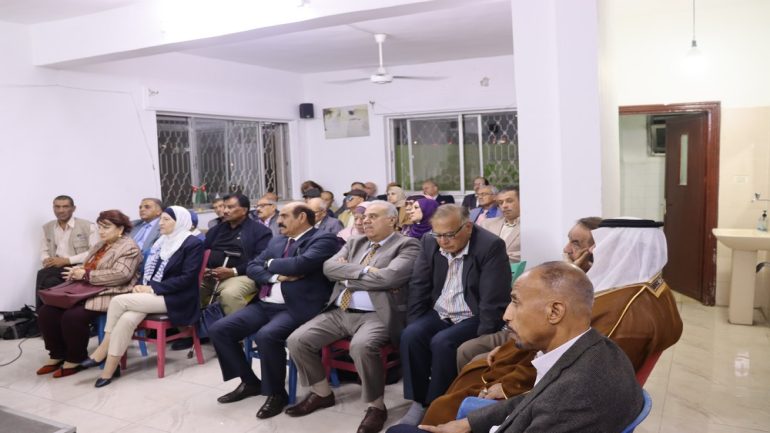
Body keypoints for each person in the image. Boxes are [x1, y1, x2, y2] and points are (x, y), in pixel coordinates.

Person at [421, 218, 683, 426]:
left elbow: (572, 366)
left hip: (534, 386)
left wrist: (509, 387)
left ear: (622, 250)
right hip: (538, 369)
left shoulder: (624, 312)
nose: (593, 252)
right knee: (473, 365)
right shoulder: (644, 290)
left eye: (599, 246)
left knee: (446, 405)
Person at [389, 262, 644, 433]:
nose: (506, 315)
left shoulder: (573, 396)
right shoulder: (601, 348)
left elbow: (548, 403)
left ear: (555, 311)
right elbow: (534, 400)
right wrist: (469, 423)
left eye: (516, 302)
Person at [286, 201, 421, 433]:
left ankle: (376, 407)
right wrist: (366, 272)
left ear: (392, 220)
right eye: (365, 216)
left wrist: (346, 275)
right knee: (297, 340)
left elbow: (390, 278)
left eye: (373, 216)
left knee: (361, 346)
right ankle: (322, 393)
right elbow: (328, 268)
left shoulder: (407, 245)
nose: (365, 220)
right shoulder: (355, 241)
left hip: (376, 315)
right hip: (340, 311)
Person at [209, 202, 341, 419]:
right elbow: (252, 267)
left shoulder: (323, 239)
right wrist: (276, 276)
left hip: (296, 307)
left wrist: (269, 263)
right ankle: (250, 382)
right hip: (265, 303)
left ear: (301, 217)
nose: (279, 220)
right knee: (220, 329)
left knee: (267, 336)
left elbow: (300, 265)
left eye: (285, 216)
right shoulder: (278, 240)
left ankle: (276, 394)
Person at [397, 204, 511, 425]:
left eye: (449, 235)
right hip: (442, 310)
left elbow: (493, 299)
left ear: (467, 227)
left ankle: (437, 403)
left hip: (472, 314)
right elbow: (419, 284)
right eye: (438, 235)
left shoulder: (490, 246)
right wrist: (415, 322)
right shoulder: (429, 241)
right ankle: (418, 401)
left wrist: (484, 338)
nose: (443, 241)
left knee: (443, 343)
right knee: (411, 335)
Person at [454, 217, 602, 374]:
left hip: (533, 333)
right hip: (515, 329)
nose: (566, 249)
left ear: (595, 250)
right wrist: (570, 269)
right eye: (569, 241)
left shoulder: (599, 286)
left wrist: (572, 272)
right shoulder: (562, 272)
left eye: (576, 243)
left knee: (477, 362)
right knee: (466, 350)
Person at [79, 206, 204, 387]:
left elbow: (187, 278)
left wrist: (152, 288)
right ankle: (109, 371)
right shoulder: (162, 241)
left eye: (166, 220)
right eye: (161, 219)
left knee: (118, 301)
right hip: (154, 295)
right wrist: (141, 286)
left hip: (177, 298)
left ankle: (102, 350)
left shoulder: (192, 244)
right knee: (126, 320)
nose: (160, 223)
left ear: (180, 222)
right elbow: (147, 271)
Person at [36, 210, 141, 378]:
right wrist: (77, 270)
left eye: (106, 227)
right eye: (100, 227)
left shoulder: (129, 247)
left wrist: (86, 275)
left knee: (72, 316)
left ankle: (75, 358)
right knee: (46, 312)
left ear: (120, 229)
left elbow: (121, 275)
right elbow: (88, 265)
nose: (101, 231)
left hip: (110, 292)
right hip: (87, 289)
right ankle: (57, 354)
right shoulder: (101, 245)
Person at [198, 193, 273, 316]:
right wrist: (203, 268)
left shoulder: (260, 232)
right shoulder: (216, 230)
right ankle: (192, 327)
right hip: (210, 275)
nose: (225, 211)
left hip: (242, 275)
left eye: (230, 207)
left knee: (230, 294)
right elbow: (202, 252)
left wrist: (233, 271)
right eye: (224, 207)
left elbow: (260, 260)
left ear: (244, 210)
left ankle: (238, 327)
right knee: (188, 289)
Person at [36, 195, 98, 307]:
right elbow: (44, 250)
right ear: (53, 208)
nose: (61, 210)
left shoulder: (88, 226)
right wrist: (46, 260)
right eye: (57, 207)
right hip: (55, 267)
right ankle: (46, 313)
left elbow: (94, 253)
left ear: (73, 208)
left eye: (65, 206)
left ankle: (38, 312)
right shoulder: (47, 227)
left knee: (42, 274)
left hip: (79, 267)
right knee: (50, 282)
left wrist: (67, 260)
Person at [478, 187, 520, 263]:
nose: (504, 206)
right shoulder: (487, 224)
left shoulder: (530, 225)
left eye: (509, 201)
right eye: (500, 203)